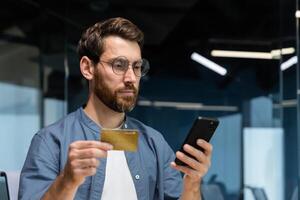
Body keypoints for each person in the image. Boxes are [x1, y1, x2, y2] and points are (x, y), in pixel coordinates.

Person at [18, 17, 213, 200]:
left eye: (136, 67)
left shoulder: (153, 142)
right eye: (119, 65)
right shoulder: (51, 141)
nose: (130, 78)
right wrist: (66, 182)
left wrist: (192, 182)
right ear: (88, 68)